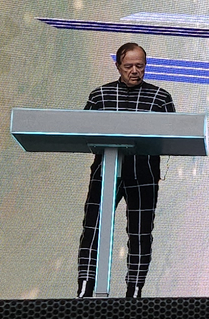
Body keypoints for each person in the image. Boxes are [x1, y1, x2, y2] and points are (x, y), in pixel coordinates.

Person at [75, 42, 176, 299]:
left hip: (144, 175)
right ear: (118, 66)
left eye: (140, 66)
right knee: (93, 227)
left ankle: (135, 292)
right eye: (129, 66)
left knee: (140, 233)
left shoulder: (161, 98)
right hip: (105, 172)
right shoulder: (100, 96)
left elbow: (175, 134)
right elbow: (80, 130)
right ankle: (85, 289)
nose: (134, 71)